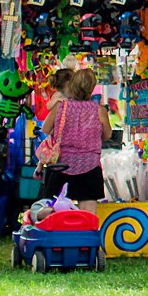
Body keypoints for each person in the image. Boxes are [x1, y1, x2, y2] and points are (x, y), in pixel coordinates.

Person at [39, 67, 108, 201]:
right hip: (90, 167)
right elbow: (106, 136)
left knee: (57, 214)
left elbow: (45, 129)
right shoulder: (99, 111)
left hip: (61, 166)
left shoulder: (61, 106)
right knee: (87, 214)